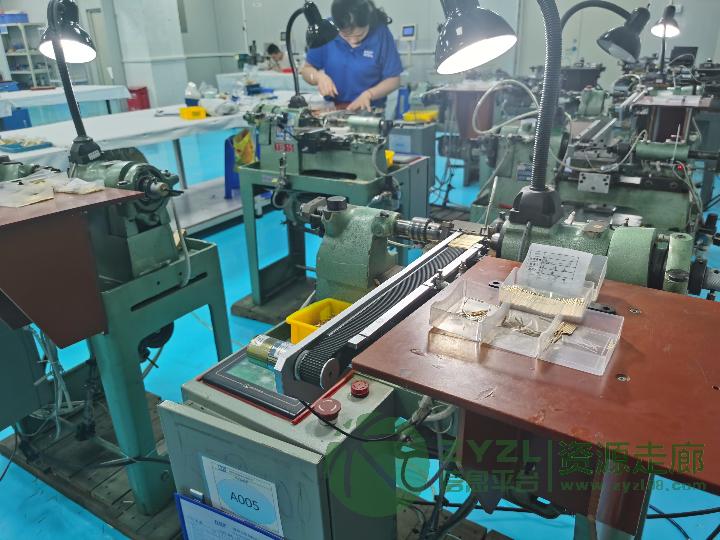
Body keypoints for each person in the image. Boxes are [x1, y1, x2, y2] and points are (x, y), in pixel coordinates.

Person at [300, 0, 403, 112]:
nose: (353, 41)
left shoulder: (380, 33)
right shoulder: (326, 30)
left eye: (360, 35)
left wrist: (369, 94)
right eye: (346, 36)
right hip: (333, 109)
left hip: (369, 110)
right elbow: (307, 70)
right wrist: (318, 77)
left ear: (369, 22)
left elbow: (394, 79)